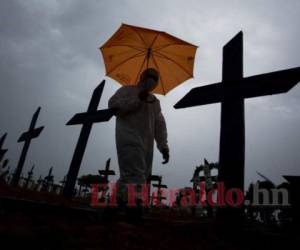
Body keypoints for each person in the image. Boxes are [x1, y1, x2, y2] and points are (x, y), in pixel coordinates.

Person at [108, 68, 169, 210]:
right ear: (142, 76)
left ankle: (114, 207)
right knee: (135, 174)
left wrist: (163, 146)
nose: (152, 80)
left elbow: (160, 125)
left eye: (155, 78)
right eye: (150, 76)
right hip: (128, 138)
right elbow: (114, 106)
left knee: (130, 176)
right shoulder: (127, 91)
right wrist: (137, 99)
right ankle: (134, 210)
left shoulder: (154, 101)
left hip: (147, 147)